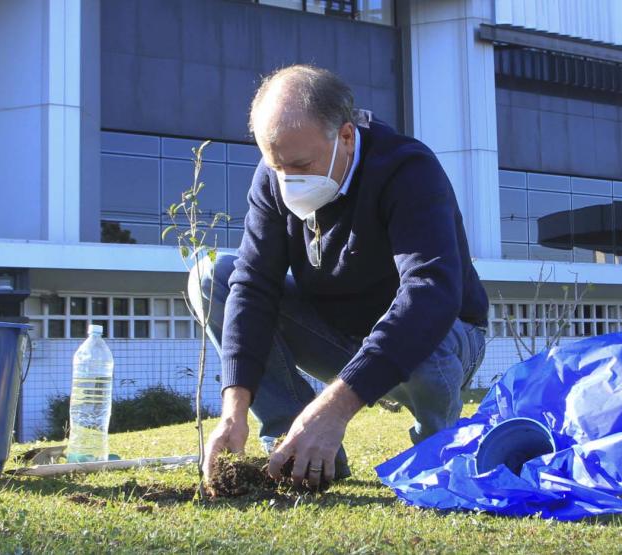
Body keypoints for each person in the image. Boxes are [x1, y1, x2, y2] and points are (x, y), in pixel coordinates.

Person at [187, 64, 490, 489]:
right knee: (213, 277)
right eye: (276, 167)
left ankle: (435, 454)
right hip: (338, 333)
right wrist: (233, 409)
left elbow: (431, 293)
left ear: (345, 136)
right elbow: (254, 286)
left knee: (424, 340)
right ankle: (297, 450)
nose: (288, 181)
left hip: (444, 338)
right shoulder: (274, 179)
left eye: (300, 164)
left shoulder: (407, 169)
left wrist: (334, 406)